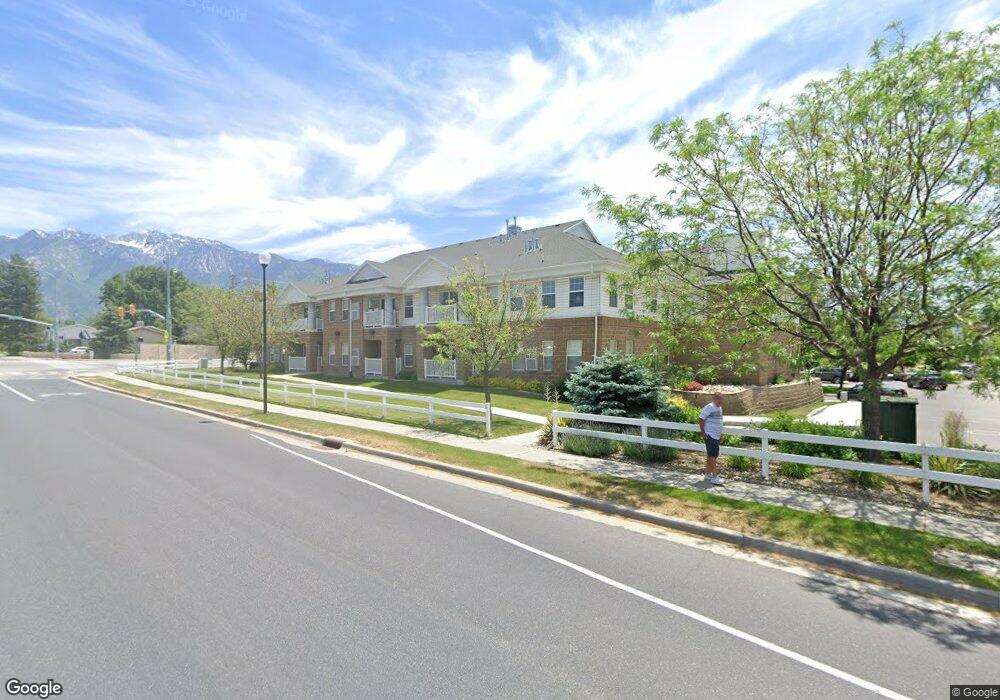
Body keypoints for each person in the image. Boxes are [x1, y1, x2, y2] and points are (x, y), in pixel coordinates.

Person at [698, 392, 725, 485]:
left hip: (716, 436)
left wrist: (720, 434)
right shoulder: (709, 407)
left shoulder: (719, 408)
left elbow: (719, 422)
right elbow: (701, 419)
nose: (721, 401)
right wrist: (703, 432)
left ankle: (707, 474)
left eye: (721, 399)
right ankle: (715, 477)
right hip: (710, 435)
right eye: (719, 399)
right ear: (714, 399)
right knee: (713, 457)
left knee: (711, 456)